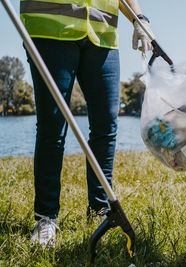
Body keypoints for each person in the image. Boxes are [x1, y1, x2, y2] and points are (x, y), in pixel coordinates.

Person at [20, 0, 154, 248]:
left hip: (102, 35)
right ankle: (45, 218)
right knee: (53, 126)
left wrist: (139, 18)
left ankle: (99, 210)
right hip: (49, 29)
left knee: (106, 127)